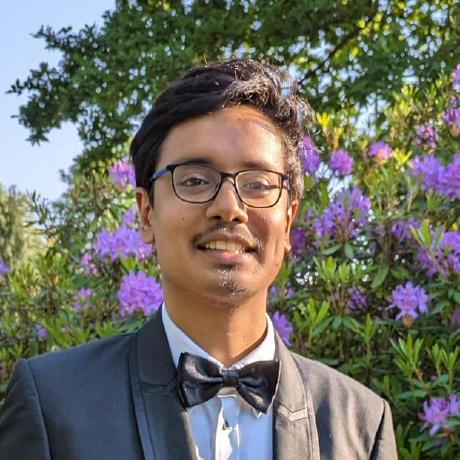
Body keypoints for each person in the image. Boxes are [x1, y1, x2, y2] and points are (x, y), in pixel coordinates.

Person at [0, 59, 397, 460]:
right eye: (194, 180)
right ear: (146, 214)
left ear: (289, 221)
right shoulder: (53, 405)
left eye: (258, 184)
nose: (229, 207)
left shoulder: (362, 425)